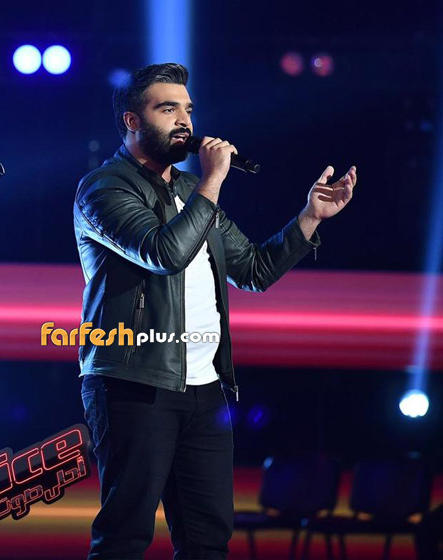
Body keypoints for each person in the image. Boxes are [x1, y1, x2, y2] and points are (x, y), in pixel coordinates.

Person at [73, 62, 357, 560]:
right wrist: (213, 180)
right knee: (125, 535)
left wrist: (310, 218)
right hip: (134, 382)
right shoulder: (104, 188)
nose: (184, 120)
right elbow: (164, 253)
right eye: (168, 109)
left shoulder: (189, 192)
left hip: (205, 389)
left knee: (208, 539)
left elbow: (254, 269)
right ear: (132, 121)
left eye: (188, 109)